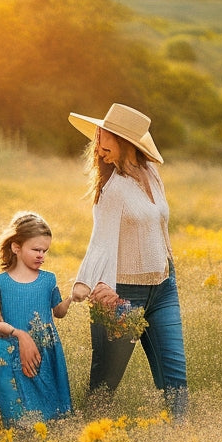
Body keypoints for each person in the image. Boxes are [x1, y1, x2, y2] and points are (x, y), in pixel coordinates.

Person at [68, 103, 188, 419]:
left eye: (103, 137)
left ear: (124, 140)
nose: (97, 145)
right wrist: (91, 283)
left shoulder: (151, 174)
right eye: (97, 137)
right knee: (105, 385)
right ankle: (85, 438)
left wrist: (168, 267)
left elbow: (159, 226)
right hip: (122, 293)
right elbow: (102, 240)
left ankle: (183, 440)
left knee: (175, 376)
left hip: (163, 288)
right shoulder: (113, 188)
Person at [0, 212, 73, 426]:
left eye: (45, 251)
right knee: (24, 389)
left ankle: (53, 426)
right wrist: (16, 333)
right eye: (36, 249)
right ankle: (23, 427)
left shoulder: (49, 279)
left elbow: (58, 311)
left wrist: (72, 297)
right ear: (16, 247)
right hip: (16, 346)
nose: (41, 256)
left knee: (50, 394)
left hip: (47, 347)